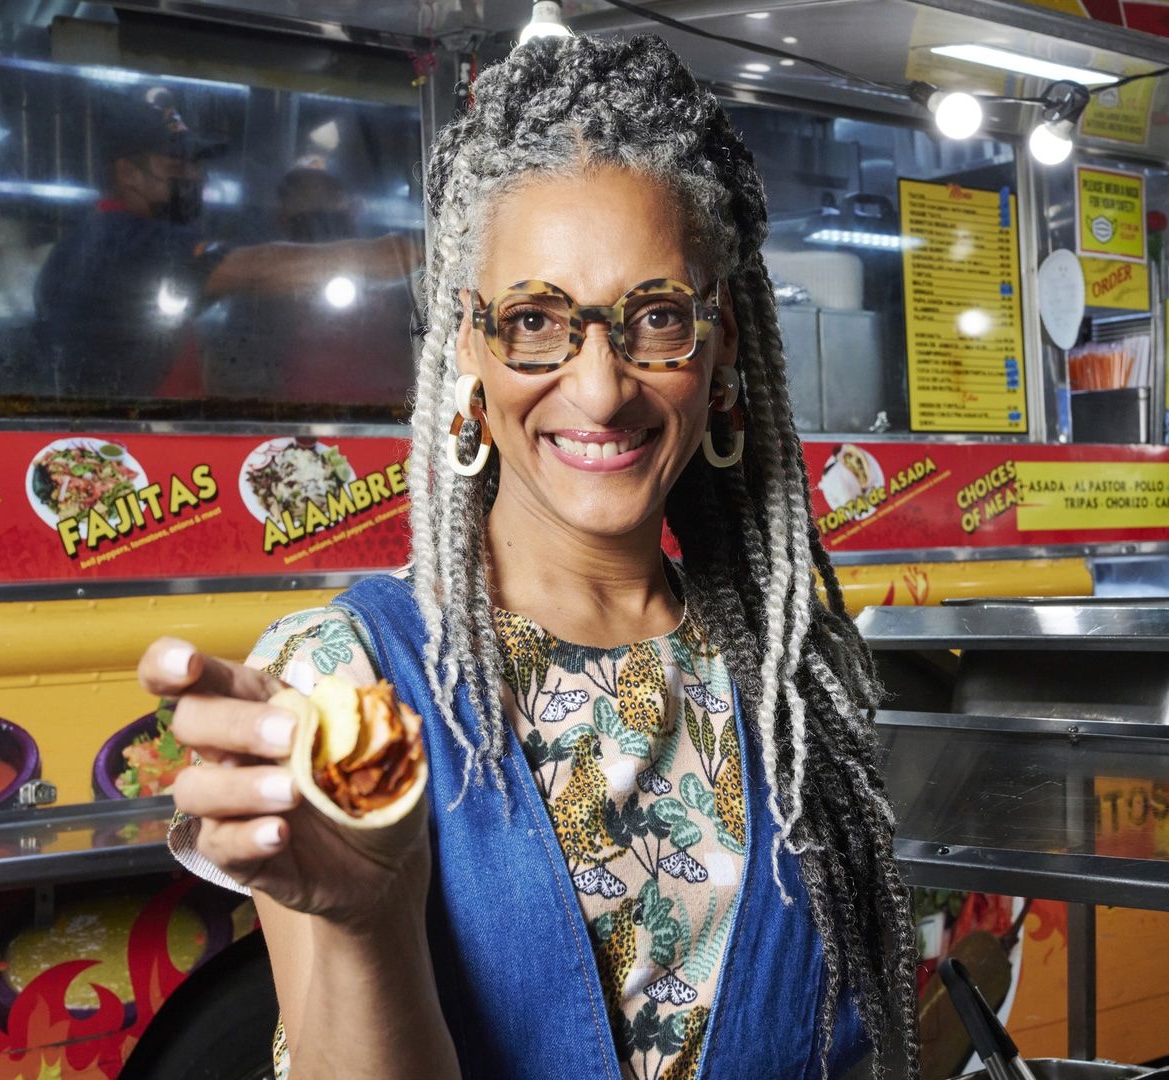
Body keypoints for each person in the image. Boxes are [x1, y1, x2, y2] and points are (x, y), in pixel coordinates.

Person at [137, 34, 917, 1080]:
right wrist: (370, 917)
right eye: (537, 321)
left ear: (721, 343)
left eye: (657, 319)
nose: (600, 389)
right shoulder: (347, 680)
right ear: (467, 345)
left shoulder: (794, 684)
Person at [32, 87, 414, 399]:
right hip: (130, 460)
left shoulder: (120, 236)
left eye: (197, 165)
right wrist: (380, 256)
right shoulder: (117, 241)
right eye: (177, 166)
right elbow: (254, 270)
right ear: (129, 174)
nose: (194, 177)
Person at [209, 165, 416, 410]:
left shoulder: (394, 274)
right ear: (283, 219)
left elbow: (414, 354)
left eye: (331, 208)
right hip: (293, 418)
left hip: (390, 418)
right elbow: (237, 373)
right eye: (307, 214)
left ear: (352, 210)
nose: (321, 224)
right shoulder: (262, 289)